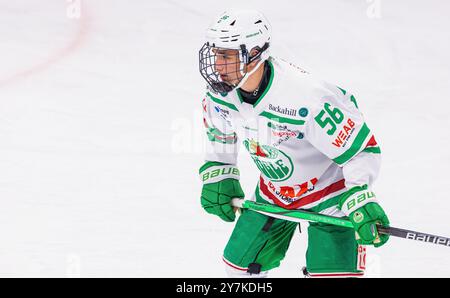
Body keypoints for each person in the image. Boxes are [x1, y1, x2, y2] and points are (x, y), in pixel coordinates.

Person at [198, 9, 389, 278]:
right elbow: (220, 133)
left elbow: (359, 150)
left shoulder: (306, 97)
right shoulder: (221, 95)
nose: (217, 65)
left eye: (227, 56)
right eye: (216, 53)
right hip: (274, 193)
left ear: (255, 54)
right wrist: (220, 171)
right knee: (239, 268)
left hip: (330, 196)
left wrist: (359, 195)